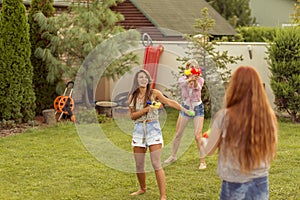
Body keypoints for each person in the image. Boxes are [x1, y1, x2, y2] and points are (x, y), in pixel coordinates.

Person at [200, 66, 278, 199]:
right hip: (260, 181)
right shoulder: (268, 117)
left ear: (234, 87)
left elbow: (209, 150)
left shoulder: (224, 117)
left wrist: (203, 140)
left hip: (233, 183)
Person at [128, 69, 194, 200]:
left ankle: (163, 196)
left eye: (145, 77)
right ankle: (142, 188)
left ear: (148, 80)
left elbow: (170, 102)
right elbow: (132, 116)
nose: (143, 79)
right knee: (139, 164)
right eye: (140, 77)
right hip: (139, 129)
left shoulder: (154, 93)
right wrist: (148, 109)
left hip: (153, 129)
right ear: (136, 80)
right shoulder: (133, 96)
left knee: (155, 163)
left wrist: (185, 110)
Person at [164, 59, 207, 170]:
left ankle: (203, 162)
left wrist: (195, 81)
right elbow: (181, 84)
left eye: (193, 67)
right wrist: (189, 80)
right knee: (178, 133)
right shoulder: (182, 79)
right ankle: (173, 156)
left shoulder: (200, 80)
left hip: (197, 108)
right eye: (189, 67)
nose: (190, 69)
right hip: (186, 108)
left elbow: (198, 88)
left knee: (198, 136)